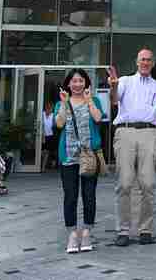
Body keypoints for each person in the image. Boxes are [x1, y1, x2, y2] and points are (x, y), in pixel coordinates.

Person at [107, 48, 156, 246]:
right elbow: (114, 100)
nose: (146, 62)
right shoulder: (124, 81)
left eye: (149, 60)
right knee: (124, 183)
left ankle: (145, 229)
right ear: (136, 61)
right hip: (125, 132)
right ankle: (123, 231)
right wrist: (113, 87)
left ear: (152, 63)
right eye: (143, 59)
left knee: (148, 184)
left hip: (149, 133)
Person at [55, 69, 104, 254]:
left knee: (89, 196)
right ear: (68, 84)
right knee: (70, 197)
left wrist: (89, 99)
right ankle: (72, 235)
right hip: (68, 157)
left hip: (89, 156)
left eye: (80, 81)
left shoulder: (95, 100)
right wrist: (63, 103)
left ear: (86, 83)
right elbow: (59, 124)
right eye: (74, 81)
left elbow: (99, 118)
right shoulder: (63, 103)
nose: (77, 84)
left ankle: (86, 233)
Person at [41, 102, 57, 171]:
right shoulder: (42, 114)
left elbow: (55, 125)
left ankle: (43, 167)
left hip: (50, 136)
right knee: (42, 152)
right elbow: (41, 125)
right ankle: (41, 165)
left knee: (47, 152)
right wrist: (43, 135)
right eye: (48, 108)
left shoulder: (53, 115)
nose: (49, 110)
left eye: (51, 109)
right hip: (42, 135)